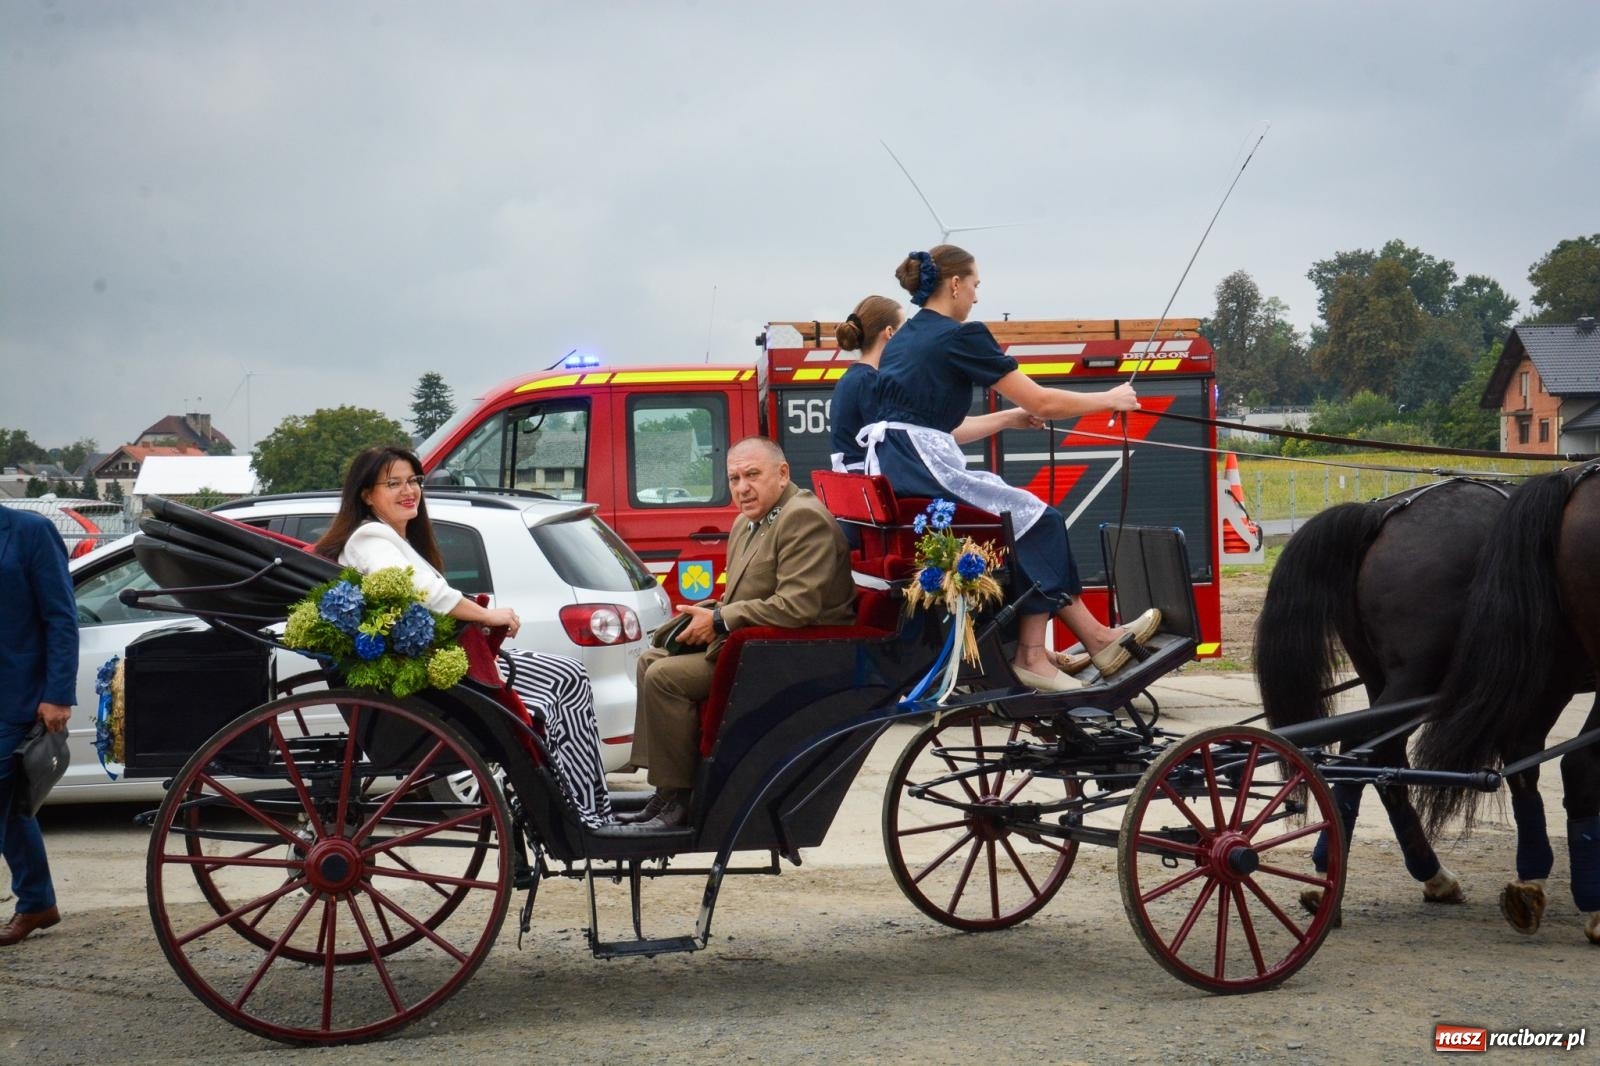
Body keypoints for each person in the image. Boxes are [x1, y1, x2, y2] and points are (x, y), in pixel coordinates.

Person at [864, 245, 1160, 692]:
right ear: (956, 284)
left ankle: (1092, 638)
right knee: (1040, 521)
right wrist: (1108, 399)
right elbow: (1041, 400)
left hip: (901, 466)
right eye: (977, 285)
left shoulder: (906, 339)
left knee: (1026, 519)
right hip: (924, 466)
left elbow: (937, 428)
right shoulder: (960, 335)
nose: (978, 297)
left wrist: (1008, 418)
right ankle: (1035, 655)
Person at [314, 446, 614, 827]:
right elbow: (422, 591)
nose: (409, 491)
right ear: (366, 494)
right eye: (394, 484)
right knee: (567, 679)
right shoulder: (370, 538)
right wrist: (486, 613)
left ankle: (581, 804)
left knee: (566, 678)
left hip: (440, 675)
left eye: (413, 481)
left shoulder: (393, 539)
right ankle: (583, 811)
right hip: (431, 685)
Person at [622, 437, 855, 830]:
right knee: (650, 660)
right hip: (751, 644)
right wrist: (706, 616)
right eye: (734, 478)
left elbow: (796, 607)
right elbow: (741, 596)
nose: (742, 487)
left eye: (752, 475)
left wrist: (717, 620)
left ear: (782, 474)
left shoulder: (802, 517)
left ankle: (683, 800)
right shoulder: (748, 522)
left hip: (790, 656)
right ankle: (668, 789)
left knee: (665, 678)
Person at [829, 294, 1041, 473]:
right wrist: (1008, 418)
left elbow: (934, 429)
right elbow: (932, 432)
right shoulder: (873, 382)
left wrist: (1009, 417)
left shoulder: (851, 379)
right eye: (906, 327)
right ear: (890, 333)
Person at [0, 505, 76, 946]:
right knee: (13, 808)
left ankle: (35, 901)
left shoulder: (29, 531)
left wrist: (58, 693)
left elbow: (61, 616)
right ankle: (37, 902)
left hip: (19, 697)